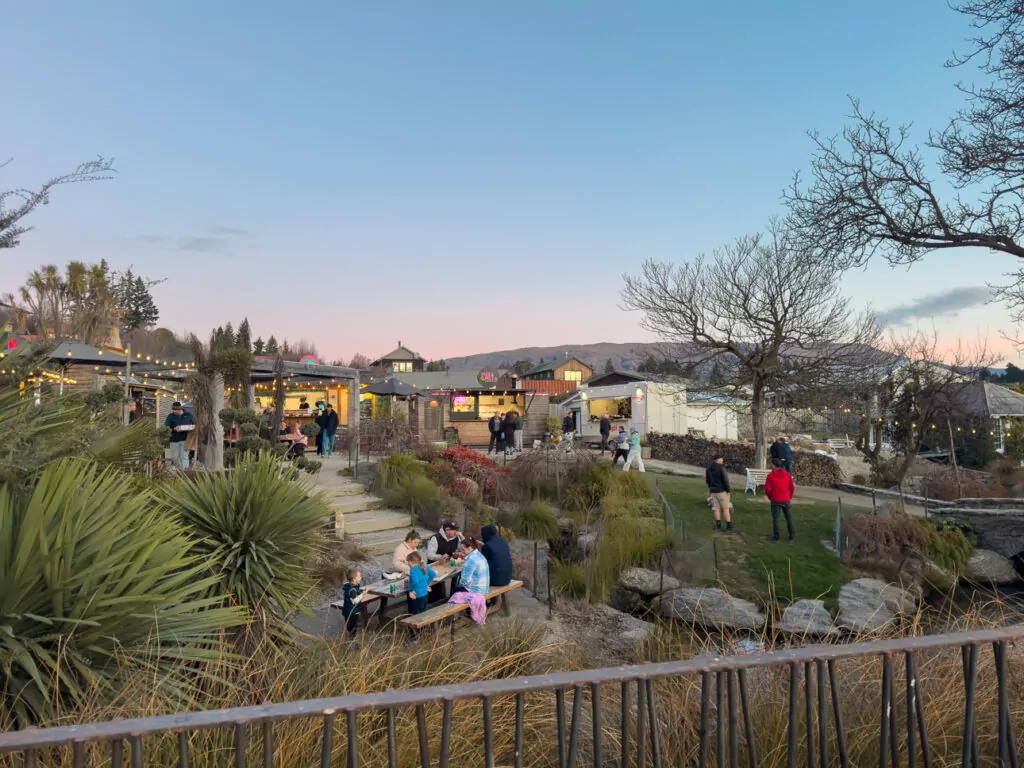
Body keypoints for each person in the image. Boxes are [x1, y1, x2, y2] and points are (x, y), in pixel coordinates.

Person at [448, 537, 491, 624]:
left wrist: (460, 583)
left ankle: (454, 616)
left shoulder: (471, 560)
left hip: (476, 591)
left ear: (470, 548)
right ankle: (462, 613)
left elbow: (465, 581)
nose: (461, 551)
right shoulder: (479, 555)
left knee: (454, 591)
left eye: (463, 549)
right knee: (456, 589)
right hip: (484, 588)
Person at [765, 458, 796, 541]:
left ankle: (776, 537)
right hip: (786, 499)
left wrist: (771, 497)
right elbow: (792, 487)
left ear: (774, 466)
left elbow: (767, 489)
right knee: (788, 518)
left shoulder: (770, 476)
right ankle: (792, 536)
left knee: (776, 519)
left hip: (775, 499)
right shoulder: (788, 475)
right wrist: (789, 497)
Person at [705, 455, 733, 532]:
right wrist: (728, 490)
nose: (722, 460)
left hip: (713, 491)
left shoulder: (709, 468)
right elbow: (725, 480)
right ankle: (729, 525)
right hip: (722, 491)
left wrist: (711, 487)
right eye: (721, 458)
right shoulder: (721, 468)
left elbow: (707, 480)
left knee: (717, 508)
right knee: (726, 509)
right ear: (718, 459)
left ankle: (718, 524)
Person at [164, 401, 194, 471]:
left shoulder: (189, 415)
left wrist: (188, 428)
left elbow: (193, 425)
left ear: (180, 409)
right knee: (175, 458)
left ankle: (185, 473)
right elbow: (166, 427)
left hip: (185, 439)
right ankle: (180, 470)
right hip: (174, 440)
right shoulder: (170, 416)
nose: (174, 411)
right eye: (173, 409)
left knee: (184, 457)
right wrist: (173, 429)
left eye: (175, 410)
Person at [405, 551, 436, 620]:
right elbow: (433, 574)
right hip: (425, 594)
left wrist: (411, 590)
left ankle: (414, 630)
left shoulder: (413, 570)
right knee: (423, 613)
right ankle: (422, 629)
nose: (408, 564)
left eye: (408, 561)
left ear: (412, 561)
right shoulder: (425, 566)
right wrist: (426, 583)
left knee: (415, 615)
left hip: (416, 595)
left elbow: (415, 582)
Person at [340, 567, 363, 637]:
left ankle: (351, 638)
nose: (361, 578)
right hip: (351, 612)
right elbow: (355, 601)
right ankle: (352, 642)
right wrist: (362, 595)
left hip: (349, 611)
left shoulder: (351, 586)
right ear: (354, 579)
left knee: (351, 626)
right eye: (359, 576)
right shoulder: (352, 590)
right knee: (352, 628)